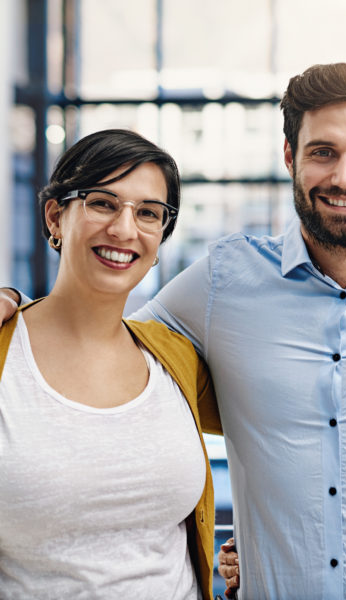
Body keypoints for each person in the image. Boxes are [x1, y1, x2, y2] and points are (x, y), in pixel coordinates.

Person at [1, 63, 346, 599]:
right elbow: (103, 331)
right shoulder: (223, 280)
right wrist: (13, 304)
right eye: (323, 152)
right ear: (290, 157)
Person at [0, 129, 221, 599]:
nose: (124, 229)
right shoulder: (5, 356)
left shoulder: (175, 357)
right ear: (55, 216)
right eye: (103, 203)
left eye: (147, 213)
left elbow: (291, 431)